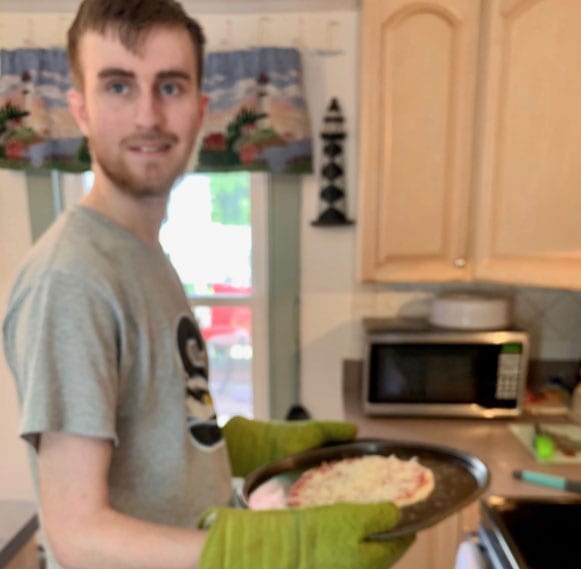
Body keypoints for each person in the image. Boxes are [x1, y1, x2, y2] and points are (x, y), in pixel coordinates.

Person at [2, 1, 414, 568]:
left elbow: (157, 431)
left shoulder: (142, 252)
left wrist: (252, 446)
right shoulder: (71, 279)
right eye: (118, 86)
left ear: (199, 110)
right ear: (81, 110)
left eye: (168, 87)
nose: (148, 115)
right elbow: (76, 534)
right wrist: (278, 553)